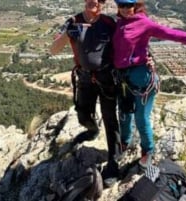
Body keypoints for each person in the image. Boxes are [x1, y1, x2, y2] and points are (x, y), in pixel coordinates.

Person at [112, 0, 186, 169]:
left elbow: (172, 34)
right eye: (121, 5)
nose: (125, 9)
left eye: (128, 5)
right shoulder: (119, 23)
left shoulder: (144, 23)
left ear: (135, 5)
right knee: (124, 115)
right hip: (124, 80)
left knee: (141, 118)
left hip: (142, 81)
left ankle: (148, 152)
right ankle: (125, 143)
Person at [50, 0, 121, 186]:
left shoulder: (108, 23)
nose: (95, 2)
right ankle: (91, 130)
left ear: (103, 4)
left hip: (106, 77)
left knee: (110, 119)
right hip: (84, 78)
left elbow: (124, 45)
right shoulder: (72, 22)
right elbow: (53, 50)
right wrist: (67, 34)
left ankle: (114, 162)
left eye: (100, 0)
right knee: (82, 112)